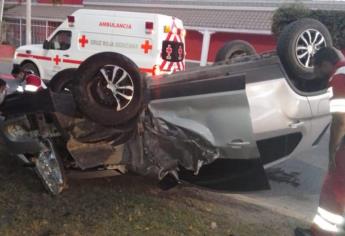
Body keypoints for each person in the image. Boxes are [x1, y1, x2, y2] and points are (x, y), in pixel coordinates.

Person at [295, 47, 345, 236]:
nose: (316, 73)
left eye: (316, 68)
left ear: (325, 64)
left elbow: (341, 120)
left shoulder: (339, 76)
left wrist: (332, 152)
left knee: (334, 189)